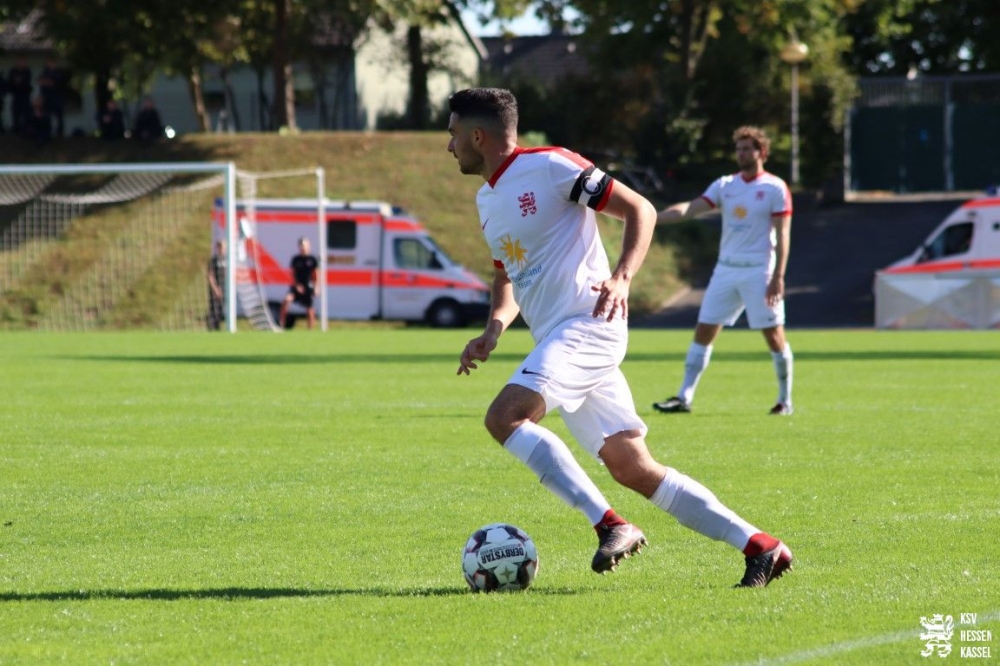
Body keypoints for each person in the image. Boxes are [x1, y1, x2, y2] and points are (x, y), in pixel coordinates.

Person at [448, 88, 792, 587]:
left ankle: (611, 524)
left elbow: (640, 209)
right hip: (557, 339)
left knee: (505, 417)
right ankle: (760, 546)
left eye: (453, 134)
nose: (450, 146)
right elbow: (507, 275)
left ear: (478, 136)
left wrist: (623, 276)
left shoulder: (551, 165)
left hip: (589, 323)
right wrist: (493, 329)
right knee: (633, 467)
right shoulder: (487, 199)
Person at [652, 126, 795, 416]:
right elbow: (690, 209)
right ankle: (684, 397)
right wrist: (651, 216)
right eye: (738, 148)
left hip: (760, 271)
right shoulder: (725, 185)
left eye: (747, 148)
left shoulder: (775, 188)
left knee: (774, 336)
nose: (741, 153)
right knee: (704, 330)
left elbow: (783, 235)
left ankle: (785, 401)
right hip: (726, 271)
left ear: (761, 152)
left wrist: (778, 277)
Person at [279, 237, 318, 329]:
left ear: (309, 246)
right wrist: (296, 285)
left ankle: (310, 329)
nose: (303, 248)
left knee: (309, 309)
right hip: (296, 286)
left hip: (308, 286)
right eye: (301, 246)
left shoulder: (312, 259)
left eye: (305, 246)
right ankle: (281, 324)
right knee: (287, 300)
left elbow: (316, 275)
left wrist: (316, 287)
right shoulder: (296, 259)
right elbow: (292, 274)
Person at [206, 240, 227, 331]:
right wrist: (215, 289)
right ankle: (212, 329)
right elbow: (210, 275)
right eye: (221, 248)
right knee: (214, 311)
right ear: (218, 248)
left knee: (221, 311)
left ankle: (218, 329)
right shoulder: (213, 261)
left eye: (224, 248)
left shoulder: (227, 260)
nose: (223, 250)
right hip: (215, 290)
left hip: (224, 289)